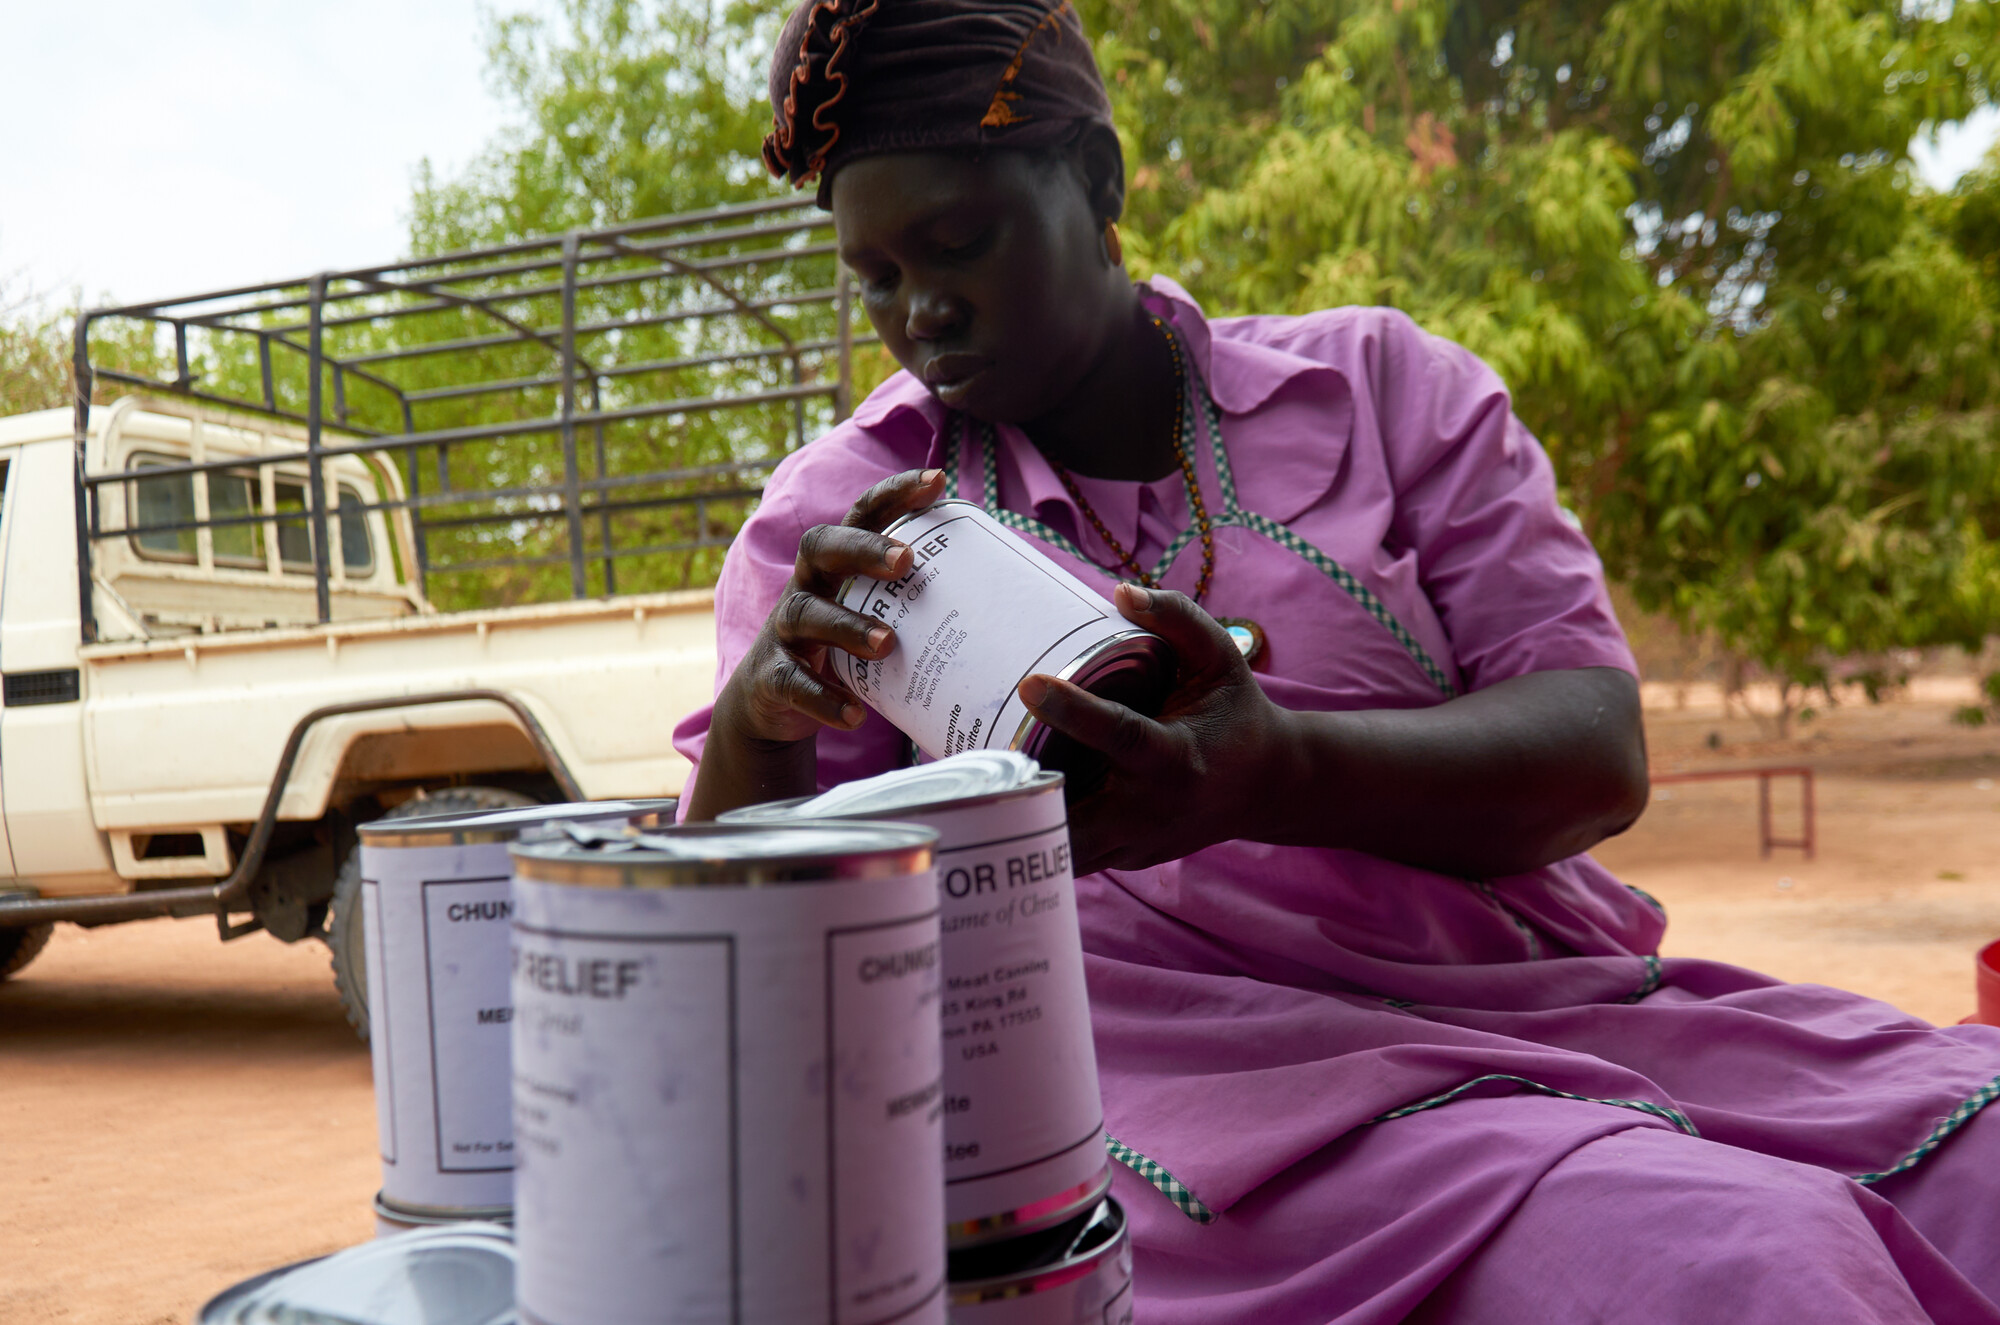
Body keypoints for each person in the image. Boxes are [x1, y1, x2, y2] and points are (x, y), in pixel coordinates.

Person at [674, 2, 2000, 1319]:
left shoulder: (1382, 391)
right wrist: (762, 722)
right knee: (1736, 1259)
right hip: (1201, 1108)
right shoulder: (846, 522)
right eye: (879, 278)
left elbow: (1597, 748)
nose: (923, 312)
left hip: (1554, 1010)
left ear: (1099, 181)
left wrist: (1280, 772)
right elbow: (744, 972)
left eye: (959, 244)